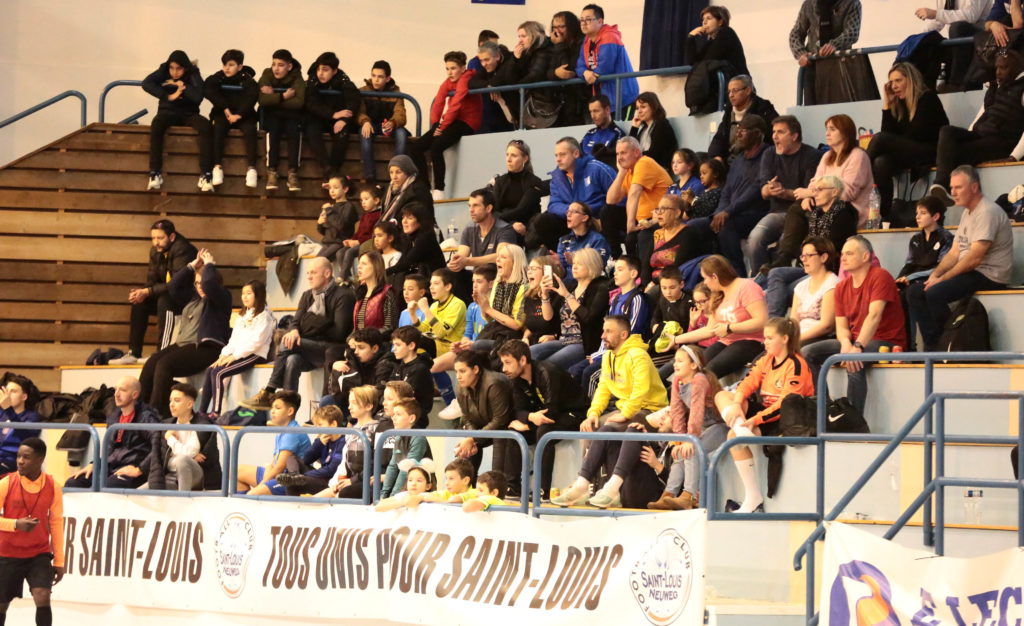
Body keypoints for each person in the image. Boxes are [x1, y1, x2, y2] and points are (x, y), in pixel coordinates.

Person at [550, 315, 669, 508]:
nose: (603, 335)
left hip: (650, 410)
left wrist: (625, 413)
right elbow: (603, 388)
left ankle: (610, 489)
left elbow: (640, 391)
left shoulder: (638, 355)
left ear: (623, 334)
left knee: (615, 425)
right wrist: (593, 413)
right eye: (603, 331)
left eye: (608, 331)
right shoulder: (608, 356)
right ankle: (585, 485)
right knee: (592, 429)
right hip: (627, 409)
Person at [908, 166, 1012, 350]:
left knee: (935, 293)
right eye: (951, 187)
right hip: (972, 272)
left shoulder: (987, 212)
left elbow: (973, 259)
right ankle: (933, 348)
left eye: (958, 187)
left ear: (974, 187)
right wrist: (936, 274)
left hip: (989, 274)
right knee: (915, 292)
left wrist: (942, 279)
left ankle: (950, 343)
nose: (953, 192)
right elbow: (954, 253)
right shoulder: (967, 213)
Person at [715, 318, 814, 512]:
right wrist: (737, 404)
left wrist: (755, 420)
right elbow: (748, 382)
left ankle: (753, 498)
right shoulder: (767, 359)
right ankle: (741, 429)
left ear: (784, 339)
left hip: (786, 419)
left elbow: (784, 405)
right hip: (765, 412)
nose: (765, 342)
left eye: (770, 338)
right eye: (765, 338)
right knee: (722, 395)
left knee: (733, 437)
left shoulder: (797, 366)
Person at [803, 236, 907, 415]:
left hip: (886, 341)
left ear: (865, 256)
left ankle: (853, 420)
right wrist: (845, 343)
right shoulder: (842, 286)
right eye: (842, 254)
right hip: (855, 341)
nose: (843, 258)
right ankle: (825, 410)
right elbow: (841, 326)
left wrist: (857, 346)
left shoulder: (880, 276)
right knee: (807, 353)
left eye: (849, 254)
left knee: (854, 361)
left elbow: (874, 316)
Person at [242, 257, 353, 409]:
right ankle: (288, 407)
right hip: (310, 348)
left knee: (286, 343)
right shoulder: (307, 295)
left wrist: (310, 325)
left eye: (313, 273)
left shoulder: (343, 295)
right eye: (308, 273)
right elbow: (296, 321)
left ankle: (269, 390)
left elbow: (339, 333)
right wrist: (294, 330)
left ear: (327, 273)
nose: (309, 277)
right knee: (292, 360)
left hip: (331, 350)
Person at [138, 249, 232, 419]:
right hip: (183, 345)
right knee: (152, 362)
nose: (200, 286)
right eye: (196, 283)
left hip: (206, 348)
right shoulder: (194, 298)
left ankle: (156, 416)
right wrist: (191, 266)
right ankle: (141, 412)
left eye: (202, 283)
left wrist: (209, 265)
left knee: (165, 364)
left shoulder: (221, 297)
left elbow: (209, 284)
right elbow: (172, 286)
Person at [497, 340, 590, 500]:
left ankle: (542, 490)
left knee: (544, 431)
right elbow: (518, 410)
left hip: (574, 414)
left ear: (523, 360)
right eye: (503, 363)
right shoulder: (516, 378)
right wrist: (530, 417)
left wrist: (529, 424)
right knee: (514, 432)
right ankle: (513, 486)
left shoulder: (547, 372)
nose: (504, 369)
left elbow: (551, 412)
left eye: (508, 362)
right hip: (545, 417)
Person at [929, 49, 1024, 203]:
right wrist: (967, 136)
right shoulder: (995, 87)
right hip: (982, 135)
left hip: (1001, 141)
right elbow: (980, 116)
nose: (998, 72)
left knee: (954, 153)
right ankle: (940, 184)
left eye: (1003, 67)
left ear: (1017, 68)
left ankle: (945, 188)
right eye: (997, 68)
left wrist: (1014, 156)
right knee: (947, 132)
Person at [763, 175, 858, 316]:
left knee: (775, 292)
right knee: (775, 273)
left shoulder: (844, 215)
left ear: (834, 192)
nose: (815, 194)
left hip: (827, 270)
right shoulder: (816, 214)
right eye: (814, 190)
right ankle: (773, 325)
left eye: (820, 189)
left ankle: (775, 326)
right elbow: (809, 244)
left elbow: (832, 250)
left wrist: (811, 249)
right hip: (810, 266)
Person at [867, 63, 949, 221]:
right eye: (891, 82)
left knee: (879, 138)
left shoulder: (928, 98)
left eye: (898, 80)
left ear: (911, 80)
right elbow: (888, 135)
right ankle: (884, 216)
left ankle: (858, 175)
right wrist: (887, 105)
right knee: (881, 162)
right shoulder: (900, 103)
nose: (894, 86)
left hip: (930, 151)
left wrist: (892, 141)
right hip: (909, 153)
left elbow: (917, 134)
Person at [649, 346, 727, 510]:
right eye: (675, 361)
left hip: (718, 426)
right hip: (701, 429)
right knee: (679, 453)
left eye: (680, 361)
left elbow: (696, 411)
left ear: (693, 365)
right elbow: (676, 411)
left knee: (691, 450)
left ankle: (688, 495)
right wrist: (679, 439)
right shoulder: (678, 381)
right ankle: (668, 494)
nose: (675, 364)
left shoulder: (699, 379)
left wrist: (690, 438)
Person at [666, 255, 768, 380]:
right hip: (727, 341)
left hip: (752, 341)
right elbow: (709, 330)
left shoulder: (746, 287)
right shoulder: (717, 295)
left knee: (709, 371)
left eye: (705, 278)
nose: (704, 282)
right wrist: (676, 339)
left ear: (714, 277)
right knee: (694, 368)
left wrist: (730, 328)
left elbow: (762, 321)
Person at [111, 219, 197, 365]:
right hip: (169, 294)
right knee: (140, 303)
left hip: (186, 299)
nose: (156, 242)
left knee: (165, 300)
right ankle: (134, 352)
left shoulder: (183, 250)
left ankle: (161, 352)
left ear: (172, 237)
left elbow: (175, 284)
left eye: (160, 238)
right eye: (153, 238)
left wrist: (147, 291)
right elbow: (152, 280)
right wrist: (141, 293)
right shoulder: (155, 251)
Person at [0, 437, 64, 626]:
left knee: (42, 595)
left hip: (39, 554)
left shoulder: (53, 486)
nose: (20, 461)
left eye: (26, 457)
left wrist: (59, 561)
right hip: (7, 553)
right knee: (2, 606)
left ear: (40, 459)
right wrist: (15, 524)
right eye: (18, 456)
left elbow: (56, 523)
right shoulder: (6, 483)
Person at [749, 115, 821, 274]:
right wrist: (769, 189)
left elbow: (809, 194)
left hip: (800, 214)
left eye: (780, 132)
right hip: (776, 212)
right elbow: (763, 191)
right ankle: (759, 281)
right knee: (755, 239)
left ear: (794, 136)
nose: (774, 136)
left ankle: (777, 278)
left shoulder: (812, 155)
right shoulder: (769, 154)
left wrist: (782, 192)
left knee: (784, 245)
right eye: (774, 132)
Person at [570, 254, 651, 391]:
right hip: (608, 353)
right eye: (615, 269)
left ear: (633, 274)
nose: (615, 273)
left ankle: (590, 405)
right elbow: (607, 332)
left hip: (624, 355)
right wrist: (599, 353)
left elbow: (631, 335)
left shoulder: (637, 299)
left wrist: (601, 356)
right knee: (574, 371)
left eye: (620, 269)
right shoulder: (615, 299)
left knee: (589, 374)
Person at [65, 377, 159, 489]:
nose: (116, 394)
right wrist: (95, 464)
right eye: (116, 390)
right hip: (111, 468)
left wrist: (140, 469)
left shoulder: (146, 418)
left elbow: (159, 446)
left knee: (109, 486)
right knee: (73, 483)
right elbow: (109, 452)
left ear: (134, 395)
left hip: (133, 469)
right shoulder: (114, 417)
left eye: (122, 390)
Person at [412, 51, 482, 199]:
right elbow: (438, 102)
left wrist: (442, 128)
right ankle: (425, 187)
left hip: (467, 122)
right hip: (452, 121)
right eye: (447, 68)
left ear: (463, 68)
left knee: (436, 147)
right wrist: (435, 125)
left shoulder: (466, 78)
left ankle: (439, 190)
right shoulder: (448, 82)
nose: (449, 72)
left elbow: (456, 105)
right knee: (415, 148)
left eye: (453, 68)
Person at [142, 50, 213, 192]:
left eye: (179, 68)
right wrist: (167, 96)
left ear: (185, 68)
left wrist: (182, 86)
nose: (174, 72)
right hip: (168, 112)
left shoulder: (193, 73)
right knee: (156, 124)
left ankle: (206, 174)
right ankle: (155, 172)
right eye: (172, 68)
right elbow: (146, 83)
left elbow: (198, 97)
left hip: (189, 113)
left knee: (206, 126)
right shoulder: (163, 70)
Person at [709, 115, 771, 277]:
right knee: (698, 226)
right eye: (738, 129)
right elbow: (726, 190)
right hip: (732, 213)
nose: (738, 134)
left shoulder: (768, 155)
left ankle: (738, 276)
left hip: (754, 213)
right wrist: (720, 211)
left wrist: (727, 212)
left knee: (726, 227)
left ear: (757, 134)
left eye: (744, 130)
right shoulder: (737, 160)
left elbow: (756, 191)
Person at [535, 247, 613, 370]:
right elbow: (549, 319)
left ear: (592, 265)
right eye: (574, 263)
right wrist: (545, 295)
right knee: (529, 354)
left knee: (547, 365)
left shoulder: (601, 287)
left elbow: (589, 318)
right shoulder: (570, 286)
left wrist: (567, 296)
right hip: (562, 340)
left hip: (583, 343)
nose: (574, 267)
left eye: (579, 264)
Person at [434, 265, 495, 418]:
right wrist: (462, 344)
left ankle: (463, 402)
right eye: (473, 281)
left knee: (463, 362)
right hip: (470, 348)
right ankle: (454, 401)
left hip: (487, 350)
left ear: (491, 283)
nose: (474, 285)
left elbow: (495, 335)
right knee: (433, 366)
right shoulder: (472, 306)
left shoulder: (496, 306)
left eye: (479, 281)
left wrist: (471, 345)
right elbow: (468, 333)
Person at [895, 197, 954, 350]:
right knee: (899, 294)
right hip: (914, 280)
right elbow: (909, 264)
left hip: (934, 280)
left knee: (914, 292)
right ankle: (906, 346)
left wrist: (910, 278)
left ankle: (931, 343)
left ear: (936, 216)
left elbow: (940, 268)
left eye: (923, 213)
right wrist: (898, 280)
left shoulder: (946, 238)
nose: (917, 217)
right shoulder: (915, 239)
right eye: (917, 213)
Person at [794, 114, 873, 226]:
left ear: (845, 133)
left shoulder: (858, 156)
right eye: (827, 129)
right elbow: (814, 183)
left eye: (832, 129)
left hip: (850, 212)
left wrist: (811, 193)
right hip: (825, 206)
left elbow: (847, 194)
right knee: (798, 208)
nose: (827, 133)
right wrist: (808, 197)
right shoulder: (827, 156)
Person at [604, 136, 673, 258]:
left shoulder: (644, 163)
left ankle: (636, 267)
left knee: (632, 238)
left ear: (636, 152)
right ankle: (615, 256)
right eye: (617, 154)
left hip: (658, 217)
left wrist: (630, 225)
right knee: (607, 211)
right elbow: (611, 200)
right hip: (641, 219)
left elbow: (634, 193)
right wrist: (621, 173)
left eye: (623, 153)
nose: (619, 158)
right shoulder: (628, 170)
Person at [146, 383, 221, 492]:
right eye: (170, 400)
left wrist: (170, 438)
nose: (171, 404)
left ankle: (183, 497)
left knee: (182, 460)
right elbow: (156, 456)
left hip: (198, 475)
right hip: (170, 474)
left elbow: (187, 454)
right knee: (139, 492)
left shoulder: (202, 425)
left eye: (177, 400)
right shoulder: (166, 425)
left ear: (189, 404)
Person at [447, 189, 517, 302]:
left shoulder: (505, 229)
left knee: (484, 277)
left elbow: (500, 256)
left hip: (497, 275)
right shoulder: (469, 228)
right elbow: (462, 253)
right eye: (469, 206)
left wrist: (467, 261)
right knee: (452, 274)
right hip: (477, 277)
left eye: (475, 206)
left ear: (488, 208)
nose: (471, 210)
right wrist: (456, 261)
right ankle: (466, 308)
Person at [789, 0, 865, 105]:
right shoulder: (809, 4)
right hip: (813, 66)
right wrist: (800, 53)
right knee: (812, 108)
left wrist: (834, 45)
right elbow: (796, 34)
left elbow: (852, 32)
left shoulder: (852, 3)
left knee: (840, 108)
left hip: (840, 67)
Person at [452, 350, 514, 475]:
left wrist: (473, 438)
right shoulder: (460, 388)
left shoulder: (493, 383)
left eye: (462, 371)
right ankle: (468, 483)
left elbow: (500, 420)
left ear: (475, 369)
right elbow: (467, 418)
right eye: (456, 371)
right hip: (483, 428)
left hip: (505, 428)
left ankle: (496, 482)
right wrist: (471, 438)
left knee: (499, 438)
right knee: (465, 453)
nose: (458, 376)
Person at [235, 390, 311, 493]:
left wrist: (261, 485)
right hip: (277, 475)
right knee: (235, 471)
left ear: (290, 411)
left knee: (252, 494)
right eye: (272, 407)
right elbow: (274, 463)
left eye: (277, 408)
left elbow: (280, 467)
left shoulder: (292, 432)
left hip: (288, 480)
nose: (272, 411)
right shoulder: (282, 430)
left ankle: (252, 497)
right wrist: (268, 471)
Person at [548, 137, 618, 248]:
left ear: (576, 153)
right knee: (544, 220)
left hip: (596, 219)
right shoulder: (557, 176)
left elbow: (619, 196)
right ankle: (558, 255)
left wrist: (602, 219)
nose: (558, 159)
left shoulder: (597, 168)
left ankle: (612, 254)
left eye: (562, 155)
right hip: (572, 220)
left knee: (607, 213)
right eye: (556, 155)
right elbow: (553, 204)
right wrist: (574, 212)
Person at [204, 49, 258, 188]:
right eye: (224, 65)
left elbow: (252, 96)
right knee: (218, 128)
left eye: (231, 65)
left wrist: (239, 114)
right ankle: (217, 167)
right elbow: (208, 89)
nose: (226, 68)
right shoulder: (219, 77)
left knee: (250, 130)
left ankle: (252, 169)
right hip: (223, 114)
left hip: (243, 115)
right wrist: (225, 109)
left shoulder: (247, 79)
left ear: (240, 66)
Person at [305, 51, 361, 182]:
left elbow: (354, 101)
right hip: (318, 118)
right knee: (310, 129)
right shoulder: (312, 80)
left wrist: (344, 120)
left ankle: (334, 170)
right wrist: (333, 114)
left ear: (334, 71)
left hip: (336, 120)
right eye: (318, 69)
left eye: (325, 70)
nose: (320, 73)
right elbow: (311, 104)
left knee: (342, 132)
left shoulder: (343, 80)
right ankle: (328, 169)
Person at [415, 268, 467, 403]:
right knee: (413, 343)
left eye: (436, 283)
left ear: (448, 286)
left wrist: (425, 310)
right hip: (437, 345)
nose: (431, 287)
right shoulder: (434, 306)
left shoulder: (457, 304)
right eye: (431, 284)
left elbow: (442, 332)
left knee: (424, 358)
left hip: (453, 348)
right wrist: (412, 313)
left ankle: (449, 399)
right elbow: (423, 328)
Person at [318, 386, 380, 499]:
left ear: (369, 406)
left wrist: (352, 481)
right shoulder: (351, 431)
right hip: (349, 480)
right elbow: (344, 462)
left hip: (365, 482)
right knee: (315, 499)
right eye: (349, 402)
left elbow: (375, 464)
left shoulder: (377, 430)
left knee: (340, 496)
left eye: (354, 403)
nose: (349, 407)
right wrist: (335, 482)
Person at [577, 4, 639, 117]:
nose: (583, 23)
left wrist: (589, 76)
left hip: (623, 98)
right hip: (604, 99)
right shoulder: (587, 40)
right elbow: (579, 66)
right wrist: (585, 73)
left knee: (622, 129)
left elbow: (604, 69)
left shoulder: (609, 37)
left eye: (588, 19)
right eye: (581, 20)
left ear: (600, 21)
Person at [915, 1, 992, 90]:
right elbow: (939, 20)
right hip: (957, 41)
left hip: (980, 39)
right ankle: (925, 89)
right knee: (927, 42)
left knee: (957, 27)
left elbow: (971, 16)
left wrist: (936, 14)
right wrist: (918, 38)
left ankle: (957, 83)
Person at [258, 49, 305, 192]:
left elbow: (299, 102)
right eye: (274, 64)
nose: (276, 69)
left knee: (294, 132)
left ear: (289, 66)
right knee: (273, 132)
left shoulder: (297, 78)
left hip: (291, 115)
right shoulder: (267, 74)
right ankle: (272, 171)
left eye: (280, 65)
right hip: (273, 115)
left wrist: (274, 98)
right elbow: (262, 99)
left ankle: (293, 173)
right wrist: (283, 96)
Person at [358, 60, 409, 182]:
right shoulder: (363, 91)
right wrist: (365, 121)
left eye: (380, 77)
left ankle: (397, 173)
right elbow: (359, 111)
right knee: (364, 133)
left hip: (388, 126)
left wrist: (392, 122)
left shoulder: (396, 93)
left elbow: (401, 114)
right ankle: (369, 176)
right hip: (369, 125)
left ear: (387, 79)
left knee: (402, 133)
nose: (376, 80)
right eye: (373, 75)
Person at [707, 75, 778, 162]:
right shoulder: (729, 112)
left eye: (735, 90)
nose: (731, 95)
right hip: (730, 161)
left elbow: (772, 139)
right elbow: (719, 139)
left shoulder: (763, 110)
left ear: (748, 91)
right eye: (729, 92)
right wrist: (716, 157)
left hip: (754, 159)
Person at [471, 243, 528, 352]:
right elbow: (490, 318)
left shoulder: (524, 288)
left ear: (515, 263)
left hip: (514, 335)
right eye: (498, 257)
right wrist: (482, 305)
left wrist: (488, 309)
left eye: (503, 257)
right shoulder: (498, 284)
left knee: (477, 347)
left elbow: (517, 324)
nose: (497, 260)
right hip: (496, 330)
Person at [278, 405, 345, 496]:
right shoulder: (323, 439)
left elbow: (331, 470)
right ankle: (294, 476)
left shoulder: (343, 442)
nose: (317, 429)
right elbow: (306, 459)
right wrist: (319, 443)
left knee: (292, 485)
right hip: (319, 476)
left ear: (333, 424)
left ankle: (295, 481)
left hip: (328, 481)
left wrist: (305, 475)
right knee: (292, 457)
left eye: (320, 425)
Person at [645, 194, 707, 288]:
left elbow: (677, 266)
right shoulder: (657, 233)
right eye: (657, 209)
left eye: (663, 209)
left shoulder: (689, 233)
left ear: (677, 213)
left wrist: (652, 284)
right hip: (652, 284)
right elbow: (646, 265)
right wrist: (645, 285)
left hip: (673, 284)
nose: (658, 213)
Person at [489, 139, 544, 245]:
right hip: (506, 225)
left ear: (525, 159)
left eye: (513, 156)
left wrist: (507, 220)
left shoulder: (534, 181)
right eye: (507, 155)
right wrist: (511, 224)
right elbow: (494, 211)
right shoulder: (500, 181)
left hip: (527, 228)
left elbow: (521, 210)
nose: (508, 159)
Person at [687, 6, 749, 96]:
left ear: (720, 22)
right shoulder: (710, 42)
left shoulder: (726, 33)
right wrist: (691, 37)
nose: (704, 22)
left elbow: (708, 60)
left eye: (709, 18)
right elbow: (693, 62)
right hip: (727, 91)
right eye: (703, 19)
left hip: (740, 90)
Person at [789, 238, 840, 345]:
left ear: (823, 257)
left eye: (809, 255)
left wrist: (795, 341)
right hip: (799, 338)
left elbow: (827, 326)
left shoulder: (833, 284)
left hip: (820, 338)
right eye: (802, 256)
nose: (804, 260)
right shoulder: (800, 286)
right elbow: (794, 322)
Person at [506, 20, 557, 127]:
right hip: (535, 99)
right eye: (519, 36)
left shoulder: (544, 49)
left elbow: (536, 74)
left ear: (534, 35)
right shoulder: (528, 51)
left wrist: (520, 85)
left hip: (547, 100)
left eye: (523, 36)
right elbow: (509, 76)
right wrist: (515, 59)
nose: (520, 40)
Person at [379, 400, 431, 499]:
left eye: (398, 414)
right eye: (393, 414)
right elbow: (393, 466)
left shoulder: (418, 437)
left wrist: (393, 496)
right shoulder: (398, 437)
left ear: (411, 418)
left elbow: (407, 469)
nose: (393, 418)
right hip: (405, 490)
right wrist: (383, 495)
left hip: (421, 491)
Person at [387, 326, 436, 429]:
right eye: (393, 345)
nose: (394, 349)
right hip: (398, 417)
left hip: (414, 423)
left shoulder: (420, 369)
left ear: (411, 345)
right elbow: (389, 392)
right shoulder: (399, 366)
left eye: (398, 345)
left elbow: (403, 398)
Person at [548, 11, 588, 127]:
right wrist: (555, 73)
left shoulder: (582, 43)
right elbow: (548, 71)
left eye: (561, 26)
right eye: (554, 27)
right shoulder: (552, 44)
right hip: (562, 105)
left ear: (571, 26)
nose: (557, 31)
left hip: (581, 101)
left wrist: (560, 45)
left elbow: (569, 70)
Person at [555, 202, 613, 283]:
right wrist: (557, 264)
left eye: (573, 211)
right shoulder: (563, 240)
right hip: (568, 283)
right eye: (568, 211)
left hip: (591, 283)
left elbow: (598, 266)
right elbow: (563, 271)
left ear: (584, 218)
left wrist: (575, 259)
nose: (568, 214)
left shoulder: (598, 240)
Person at [469, 40, 517, 134]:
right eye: (481, 61)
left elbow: (497, 80)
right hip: (505, 113)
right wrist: (488, 86)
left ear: (497, 56)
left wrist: (492, 86)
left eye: (487, 60)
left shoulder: (510, 62)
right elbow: (471, 83)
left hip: (522, 110)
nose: (484, 64)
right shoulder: (488, 67)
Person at [388, 202, 445, 279]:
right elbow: (402, 261)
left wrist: (382, 273)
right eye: (403, 217)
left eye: (410, 218)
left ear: (421, 221)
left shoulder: (426, 237)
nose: (404, 221)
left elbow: (406, 264)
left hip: (435, 280)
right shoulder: (410, 237)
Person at [316, 176, 361, 272]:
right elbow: (323, 231)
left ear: (345, 189)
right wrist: (320, 223)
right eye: (330, 188)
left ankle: (346, 278)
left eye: (336, 188)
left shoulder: (348, 207)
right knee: (315, 263)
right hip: (327, 243)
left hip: (340, 243)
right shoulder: (330, 207)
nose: (332, 191)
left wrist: (329, 210)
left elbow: (341, 226)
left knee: (319, 263)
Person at [649, 266, 691, 366]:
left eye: (672, 288)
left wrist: (677, 343)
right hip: (662, 341)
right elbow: (655, 318)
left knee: (647, 363)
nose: (668, 292)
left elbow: (690, 330)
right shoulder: (663, 298)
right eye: (664, 288)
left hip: (678, 346)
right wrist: (655, 326)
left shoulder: (689, 303)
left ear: (681, 284)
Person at [521, 256, 565, 348]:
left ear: (546, 272)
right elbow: (531, 327)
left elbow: (549, 319)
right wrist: (525, 338)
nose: (529, 272)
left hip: (555, 342)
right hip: (534, 342)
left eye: (534, 269)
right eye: (528, 269)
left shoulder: (559, 294)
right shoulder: (529, 297)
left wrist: (554, 336)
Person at [353, 251, 400, 338]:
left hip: (379, 343)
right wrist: (352, 338)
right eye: (359, 263)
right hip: (361, 343)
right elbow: (358, 326)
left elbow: (390, 327)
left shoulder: (387, 292)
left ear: (376, 267)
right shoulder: (361, 292)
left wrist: (366, 337)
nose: (358, 266)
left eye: (364, 264)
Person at [627, 92, 678, 171]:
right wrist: (634, 128)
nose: (639, 111)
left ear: (653, 107)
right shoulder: (644, 129)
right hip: (642, 168)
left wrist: (633, 156)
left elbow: (654, 155)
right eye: (637, 108)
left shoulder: (661, 125)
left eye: (643, 107)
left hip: (657, 170)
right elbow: (629, 148)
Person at [380, 154, 435, 227]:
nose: (394, 177)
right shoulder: (391, 189)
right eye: (391, 172)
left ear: (408, 172)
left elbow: (416, 221)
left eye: (398, 172)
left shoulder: (418, 191)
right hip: (392, 230)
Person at [0, 376, 40, 475]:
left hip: (13, 461)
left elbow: (25, 436)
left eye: (13, 391)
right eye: (7, 391)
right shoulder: (1, 414)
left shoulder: (32, 417)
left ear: (24, 397)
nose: (8, 395)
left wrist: (8, 409)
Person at [580, 95, 626, 168]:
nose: (592, 116)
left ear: (607, 110)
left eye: (596, 111)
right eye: (590, 112)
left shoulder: (617, 134)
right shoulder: (589, 134)